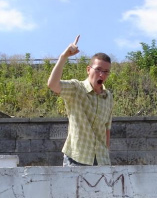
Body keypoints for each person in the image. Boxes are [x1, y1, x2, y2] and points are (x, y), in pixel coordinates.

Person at [47, 35, 113, 166]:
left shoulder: (108, 96)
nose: (102, 75)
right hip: (77, 157)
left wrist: (106, 152)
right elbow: (53, 84)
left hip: (101, 160)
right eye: (98, 69)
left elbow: (107, 128)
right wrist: (63, 57)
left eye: (106, 71)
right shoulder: (76, 88)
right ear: (88, 70)